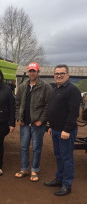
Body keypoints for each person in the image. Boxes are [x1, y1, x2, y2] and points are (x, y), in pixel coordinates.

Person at [44, 64, 81, 196]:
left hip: (65, 132)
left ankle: (67, 184)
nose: (59, 75)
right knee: (58, 156)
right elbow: (53, 109)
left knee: (67, 158)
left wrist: (67, 130)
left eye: (62, 73)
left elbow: (73, 113)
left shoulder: (72, 90)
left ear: (68, 75)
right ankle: (59, 179)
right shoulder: (56, 89)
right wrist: (51, 127)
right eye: (57, 73)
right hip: (55, 130)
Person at [15, 62, 52, 182]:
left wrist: (41, 120)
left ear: (38, 72)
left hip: (37, 124)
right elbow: (17, 103)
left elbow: (48, 105)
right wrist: (18, 118)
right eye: (30, 71)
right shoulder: (23, 86)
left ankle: (34, 169)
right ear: (28, 72)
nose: (32, 73)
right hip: (24, 123)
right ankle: (24, 169)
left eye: (34, 71)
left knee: (37, 147)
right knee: (24, 147)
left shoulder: (45, 86)